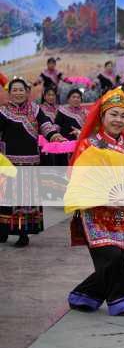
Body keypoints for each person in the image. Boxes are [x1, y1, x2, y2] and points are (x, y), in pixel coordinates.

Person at [67, 87, 124, 316]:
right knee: (109, 257)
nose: (118, 120)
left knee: (117, 257)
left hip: (122, 211)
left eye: (123, 115)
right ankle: (121, 300)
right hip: (95, 211)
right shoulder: (88, 145)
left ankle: (84, 296)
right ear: (102, 116)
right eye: (113, 114)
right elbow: (79, 178)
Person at [0, 78, 64, 247]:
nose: (18, 93)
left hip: (30, 162)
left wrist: (55, 136)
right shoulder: (3, 111)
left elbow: (46, 126)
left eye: (21, 90)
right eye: (15, 90)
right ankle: (3, 231)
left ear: (27, 92)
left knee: (25, 199)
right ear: (9, 93)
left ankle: (23, 233)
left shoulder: (36, 110)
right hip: (8, 163)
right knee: (6, 199)